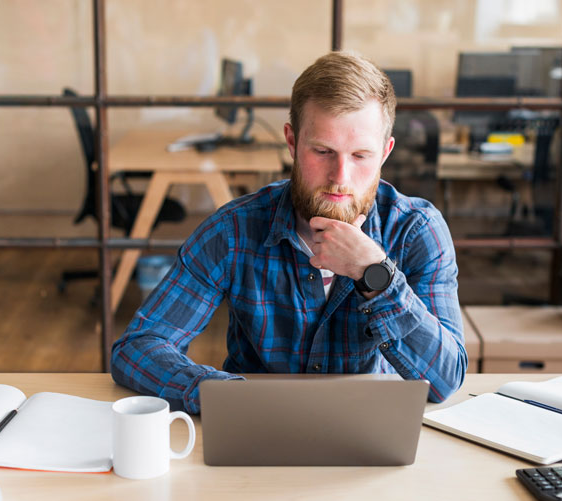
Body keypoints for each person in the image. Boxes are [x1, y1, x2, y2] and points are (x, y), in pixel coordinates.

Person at [112, 51, 467, 414]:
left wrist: (374, 273)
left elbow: (444, 380)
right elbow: (139, 347)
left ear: (385, 153)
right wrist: (227, 395)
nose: (340, 177)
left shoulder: (416, 230)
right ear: (293, 142)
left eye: (360, 155)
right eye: (323, 151)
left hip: (368, 432)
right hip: (255, 425)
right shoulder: (233, 230)